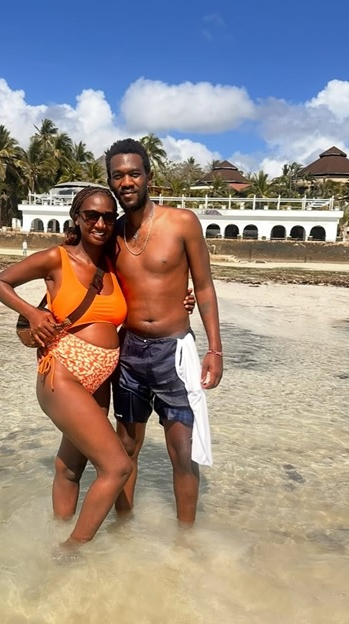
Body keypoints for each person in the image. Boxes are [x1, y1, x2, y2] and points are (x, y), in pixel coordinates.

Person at [0, 186, 133, 548]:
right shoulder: (56, 258)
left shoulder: (112, 265)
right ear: (77, 218)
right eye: (91, 216)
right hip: (63, 372)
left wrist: (183, 301)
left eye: (108, 217)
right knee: (117, 467)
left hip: (100, 378)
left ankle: (54, 532)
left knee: (70, 467)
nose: (100, 223)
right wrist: (33, 313)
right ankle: (72, 551)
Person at [105, 138, 224, 526]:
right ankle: (123, 533)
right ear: (110, 182)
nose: (126, 182)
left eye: (134, 174)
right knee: (125, 450)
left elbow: (203, 287)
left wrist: (215, 350)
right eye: (117, 176)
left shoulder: (182, 222)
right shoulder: (111, 233)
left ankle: (185, 542)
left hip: (174, 352)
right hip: (129, 354)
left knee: (182, 452)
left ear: (148, 176)